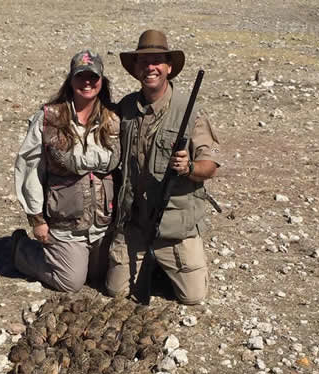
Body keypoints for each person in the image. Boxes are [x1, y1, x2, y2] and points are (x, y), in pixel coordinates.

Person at [105, 30, 221, 305]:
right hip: (135, 222)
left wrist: (189, 167)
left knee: (193, 297)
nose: (150, 67)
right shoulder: (125, 108)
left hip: (174, 226)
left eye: (157, 60)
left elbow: (211, 165)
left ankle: (163, 263)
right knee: (114, 291)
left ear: (169, 67)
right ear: (135, 69)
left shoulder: (191, 111)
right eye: (144, 62)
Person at [12, 50, 120, 292]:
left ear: (102, 81)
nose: (87, 83)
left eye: (93, 77)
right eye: (81, 76)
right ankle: (21, 250)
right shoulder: (49, 118)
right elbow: (29, 169)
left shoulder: (114, 118)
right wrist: (37, 219)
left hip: (102, 222)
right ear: (70, 80)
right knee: (70, 282)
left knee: (102, 276)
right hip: (64, 224)